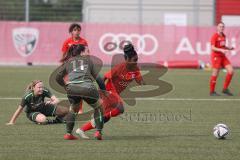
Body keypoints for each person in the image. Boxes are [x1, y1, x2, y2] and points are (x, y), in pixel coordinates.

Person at [75, 43, 145, 138]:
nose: (136, 62)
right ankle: (98, 125)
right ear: (127, 60)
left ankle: (84, 130)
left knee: (106, 117)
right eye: (134, 60)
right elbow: (104, 77)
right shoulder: (120, 67)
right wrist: (102, 91)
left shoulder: (136, 69)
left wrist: (142, 82)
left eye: (137, 59)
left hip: (114, 93)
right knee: (120, 108)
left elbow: (140, 80)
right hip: (109, 90)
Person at [56, 44, 106, 140]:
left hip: (72, 89)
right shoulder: (88, 61)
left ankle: (68, 134)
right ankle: (98, 132)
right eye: (87, 51)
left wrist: (65, 85)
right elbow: (99, 79)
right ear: (82, 52)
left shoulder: (68, 61)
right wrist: (104, 91)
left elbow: (58, 77)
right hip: (87, 88)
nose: (89, 53)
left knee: (73, 109)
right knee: (99, 107)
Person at [61, 23, 89, 113]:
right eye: (74, 30)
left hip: (80, 68)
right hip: (70, 68)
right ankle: (73, 106)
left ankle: (80, 108)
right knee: (70, 88)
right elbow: (64, 55)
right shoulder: (67, 42)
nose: (77, 32)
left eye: (78, 30)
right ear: (71, 31)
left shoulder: (83, 42)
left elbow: (87, 54)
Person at [209, 22, 235, 96]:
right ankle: (212, 91)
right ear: (217, 27)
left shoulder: (224, 35)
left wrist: (228, 48)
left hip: (223, 56)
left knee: (231, 71)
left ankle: (225, 89)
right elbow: (212, 47)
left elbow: (222, 46)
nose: (221, 28)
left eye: (223, 26)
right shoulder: (214, 36)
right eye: (220, 26)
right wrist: (221, 50)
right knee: (215, 73)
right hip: (216, 57)